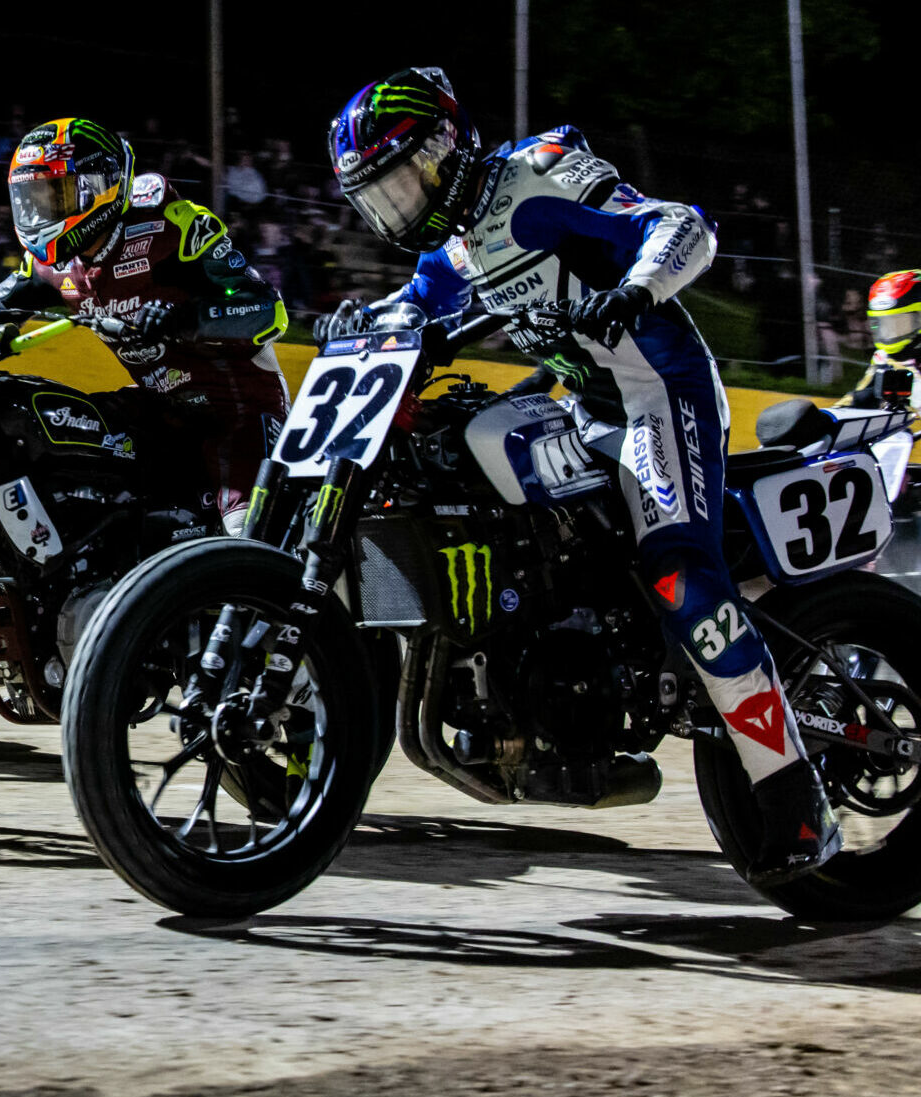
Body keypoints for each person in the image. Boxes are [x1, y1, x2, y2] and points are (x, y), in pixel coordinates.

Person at [318, 66, 839, 883]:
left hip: (656, 393)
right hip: (585, 402)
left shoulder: (538, 176)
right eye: (378, 200)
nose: (398, 210)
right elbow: (413, 307)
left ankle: (795, 795)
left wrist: (634, 291)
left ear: (443, 149)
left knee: (683, 585)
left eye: (400, 184)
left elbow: (681, 226)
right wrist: (354, 323)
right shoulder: (454, 248)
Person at [0, 116, 290, 535]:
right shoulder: (52, 264)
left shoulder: (173, 223)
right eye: (31, 199)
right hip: (159, 408)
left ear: (98, 189)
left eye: (53, 196)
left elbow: (269, 310)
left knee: (245, 538)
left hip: (238, 412)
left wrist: (187, 320)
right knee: (31, 420)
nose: (38, 212)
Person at [836, 269, 920, 407]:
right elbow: (855, 399)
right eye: (883, 323)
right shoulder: (884, 358)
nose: (889, 331)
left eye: (898, 321)